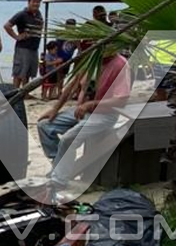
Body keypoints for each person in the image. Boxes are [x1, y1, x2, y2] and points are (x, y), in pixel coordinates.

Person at [37, 46, 132, 187]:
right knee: (44, 125)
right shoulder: (91, 59)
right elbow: (72, 86)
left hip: (105, 114)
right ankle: (58, 164)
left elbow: (121, 100)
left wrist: (91, 104)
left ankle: (59, 180)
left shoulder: (120, 64)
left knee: (68, 139)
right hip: (80, 111)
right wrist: (55, 109)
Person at [4, 0, 44, 93]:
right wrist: (16, 37)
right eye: (34, 2)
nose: (36, 4)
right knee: (19, 72)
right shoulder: (22, 14)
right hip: (23, 48)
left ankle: (25, 93)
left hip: (34, 48)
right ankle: (14, 93)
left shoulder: (39, 15)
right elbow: (7, 26)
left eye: (38, 2)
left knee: (28, 72)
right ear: (29, 2)